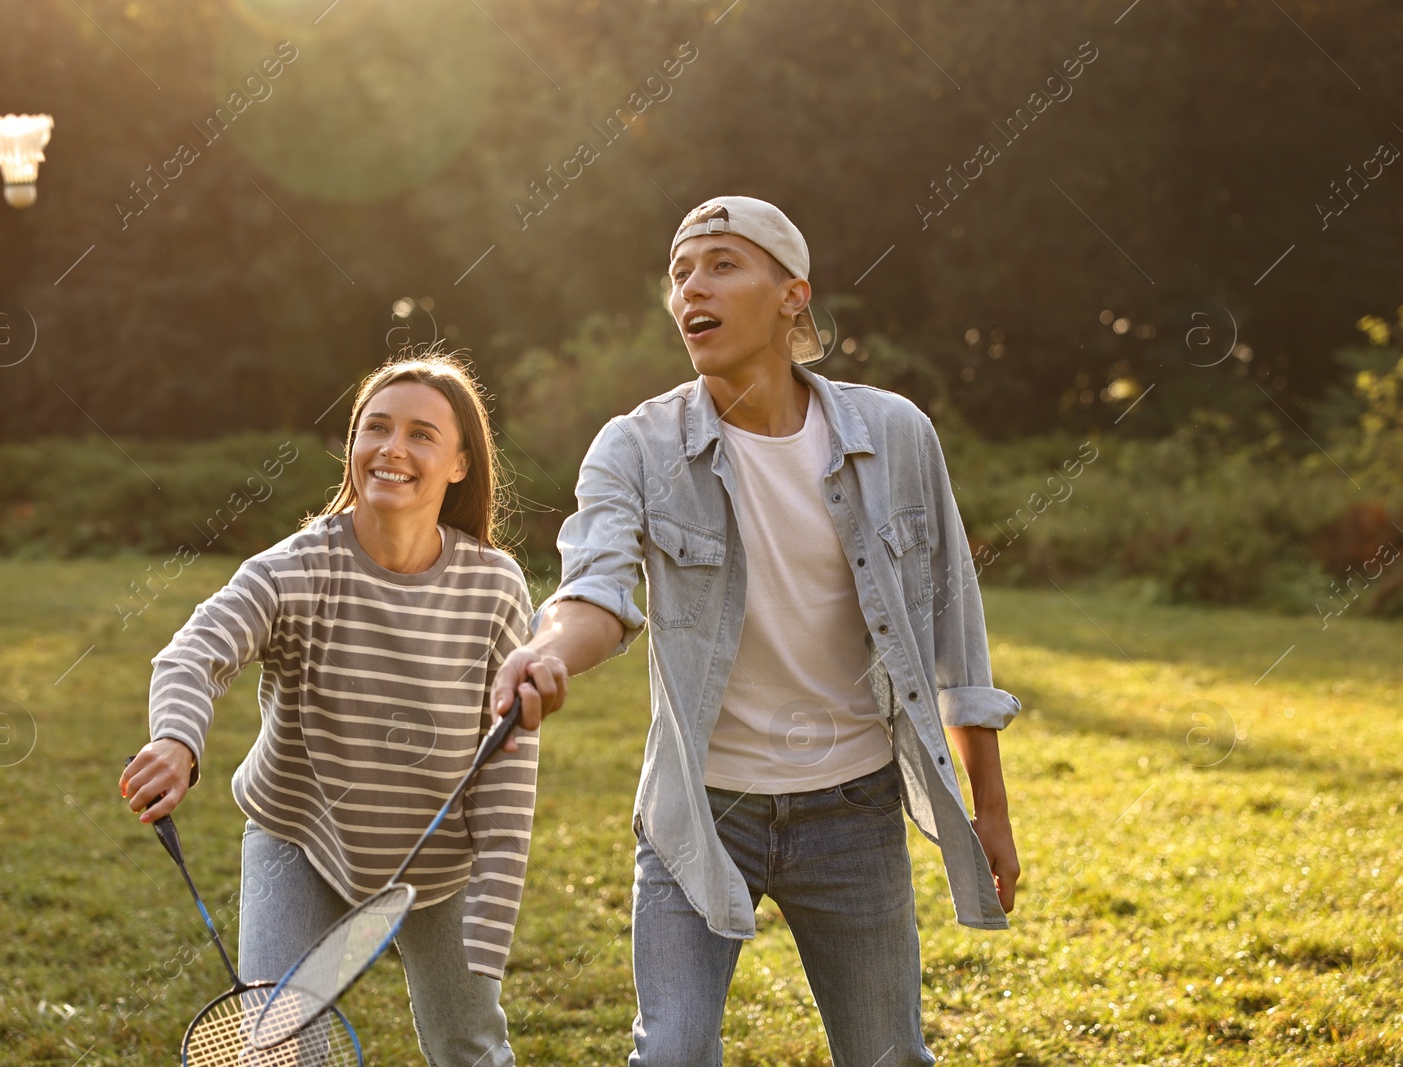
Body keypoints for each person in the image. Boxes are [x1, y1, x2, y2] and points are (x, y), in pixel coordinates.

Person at [492, 196, 1022, 1066]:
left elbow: (953, 630)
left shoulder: (894, 435)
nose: (690, 287)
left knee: (890, 1055)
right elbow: (594, 590)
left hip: (853, 808)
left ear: (792, 295)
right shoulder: (636, 446)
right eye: (679, 273)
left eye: (721, 264)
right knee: (671, 1054)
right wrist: (546, 651)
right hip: (701, 808)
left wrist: (989, 808)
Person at [120, 348, 538, 1067]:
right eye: (375, 427)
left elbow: (507, 755)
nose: (391, 448)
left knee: (469, 1046)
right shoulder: (297, 567)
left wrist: (491, 919)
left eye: (420, 433)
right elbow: (193, 653)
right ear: (352, 445)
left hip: (438, 866)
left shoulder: (494, 587)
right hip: (300, 839)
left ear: (460, 463)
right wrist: (177, 742)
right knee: (278, 1048)